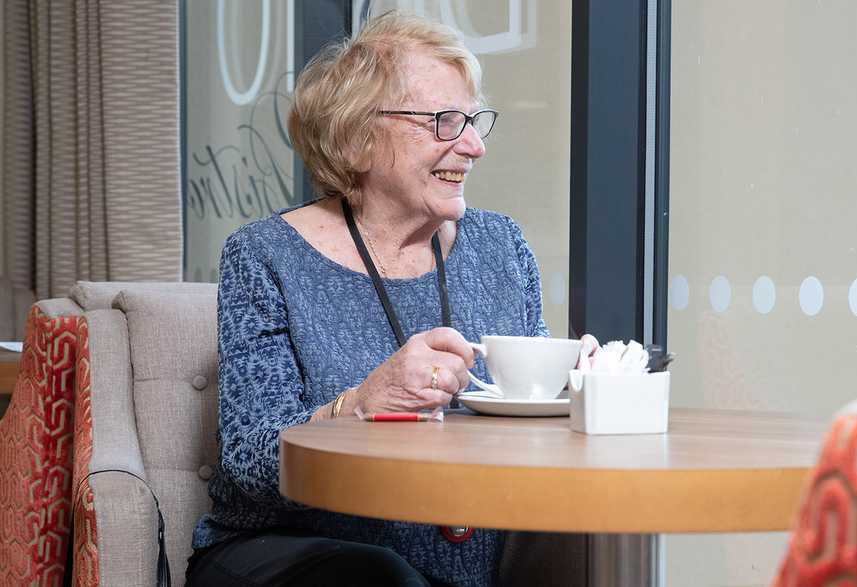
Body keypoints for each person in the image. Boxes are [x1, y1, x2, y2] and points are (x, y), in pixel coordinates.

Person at [186, 11, 586, 587]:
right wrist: (362, 404)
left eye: (474, 121)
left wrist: (580, 388)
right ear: (359, 134)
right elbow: (250, 462)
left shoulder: (501, 247)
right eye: (445, 122)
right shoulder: (266, 255)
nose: (473, 146)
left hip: (463, 562)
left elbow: (531, 419)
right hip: (293, 555)